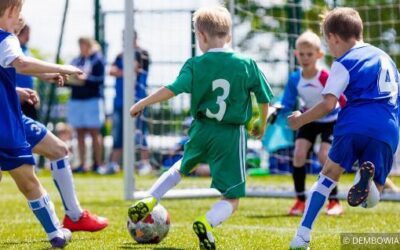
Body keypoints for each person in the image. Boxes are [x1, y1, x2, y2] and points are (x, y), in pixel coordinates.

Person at [128, 6, 273, 250]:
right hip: (230, 133)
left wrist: (143, 102)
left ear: (202, 36)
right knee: (232, 197)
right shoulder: (246, 63)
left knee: (181, 167)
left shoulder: (194, 64)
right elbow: (264, 97)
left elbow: (171, 89)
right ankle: (206, 224)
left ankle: (151, 197)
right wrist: (262, 122)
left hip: (201, 128)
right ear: (228, 35)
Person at [288, 7, 400, 249]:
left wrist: (300, 120)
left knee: (327, 175)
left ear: (333, 38)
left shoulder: (344, 62)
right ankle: (366, 181)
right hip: (387, 129)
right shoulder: (388, 60)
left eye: (329, 46)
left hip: (354, 124)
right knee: (372, 198)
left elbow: (328, 103)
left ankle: (302, 236)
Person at [0, 0, 83, 247]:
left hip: (8, 118)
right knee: (29, 181)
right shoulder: (7, 38)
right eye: (20, 13)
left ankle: (63, 225)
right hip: (6, 126)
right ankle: (55, 233)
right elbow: (22, 63)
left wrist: (14, 91)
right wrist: (62, 67)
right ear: (13, 11)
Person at [16, 86, 109, 232]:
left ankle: (72, 218)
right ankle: (71, 220)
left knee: (58, 151)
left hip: (11, 112)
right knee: (54, 156)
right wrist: (56, 69)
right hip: (7, 116)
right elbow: (21, 63)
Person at [281, 30, 344, 216]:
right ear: (295, 54)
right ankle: (300, 200)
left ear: (319, 55)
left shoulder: (325, 76)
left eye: (310, 54)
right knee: (298, 154)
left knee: (325, 156)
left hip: (331, 120)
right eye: (301, 54)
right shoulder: (294, 78)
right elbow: (286, 102)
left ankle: (334, 201)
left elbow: (337, 100)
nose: (305, 58)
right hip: (309, 118)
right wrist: (278, 109)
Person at [99, 32, 151, 175]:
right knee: (118, 133)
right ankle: (113, 164)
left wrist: (122, 71)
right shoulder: (119, 55)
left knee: (140, 131)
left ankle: (145, 164)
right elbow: (112, 71)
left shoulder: (143, 53)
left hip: (138, 100)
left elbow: (133, 69)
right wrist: (122, 72)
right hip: (120, 101)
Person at [67, 37, 106, 173]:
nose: (81, 47)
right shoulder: (76, 61)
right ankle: (82, 164)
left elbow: (100, 80)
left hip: (92, 100)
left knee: (95, 133)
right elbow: (67, 78)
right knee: (79, 133)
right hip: (76, 100)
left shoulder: (98, 59)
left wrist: (86, 79)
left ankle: (99, 164)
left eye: (83, 44)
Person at [15, 23, 38, 119]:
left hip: (28, 96)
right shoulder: (12, 50)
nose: (28, 37)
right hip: (15, 95)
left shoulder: (27, 50)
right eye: (26, 33)